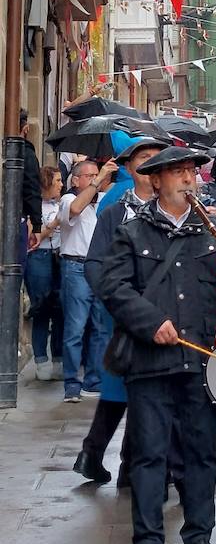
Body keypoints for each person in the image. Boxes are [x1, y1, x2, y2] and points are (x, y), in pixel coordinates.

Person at [97, 145, 216, 544]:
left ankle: (199, 539)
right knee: (149, 455)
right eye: (179, 173)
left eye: (191, 172)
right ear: (158, 181)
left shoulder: (212, 232)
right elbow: (113, 288)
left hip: (200, 362)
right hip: (150, 362)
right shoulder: (133, 232)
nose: (189, 179)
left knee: (202, 452)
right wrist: (151, 322)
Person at [76, 136, 165, 486]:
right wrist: (114, 302)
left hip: (164, 315)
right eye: (144, 160)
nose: (150, 168)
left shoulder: (177, 208)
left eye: (158, 161)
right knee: (122, 383)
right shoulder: (115, 209)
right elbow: (95, 263)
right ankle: (109, 457)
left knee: (143, 390)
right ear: (130, 168)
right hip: (123, 315)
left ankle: (121, 460)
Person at [60, 156, 120, 403]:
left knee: (100, 328)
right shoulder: (69, 199)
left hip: (101, 269)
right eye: (90, 175)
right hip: (76, 268)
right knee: (75, 328)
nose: (98, 178)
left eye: (99, 174)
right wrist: (98, 181)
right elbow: (74, 211)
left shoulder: (103, 202)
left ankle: (93, 380)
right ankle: (71, 384)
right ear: (76, 180)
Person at [23, 164, 64, 381]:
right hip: (39, 258)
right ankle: (41, 359)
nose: (61, 184)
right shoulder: (33, 206)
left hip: (59, 257)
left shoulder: (60, 203)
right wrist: (56, 222)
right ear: (46, 182)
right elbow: (32, 237)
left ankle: (58, 356)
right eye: (57, 181)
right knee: (41, 309)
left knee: (60, 309)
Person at [19, 109, 43, 235]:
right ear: (26, 128)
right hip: (18, 216)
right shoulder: (27, 153)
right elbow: (32, 188)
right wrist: (36, 225)